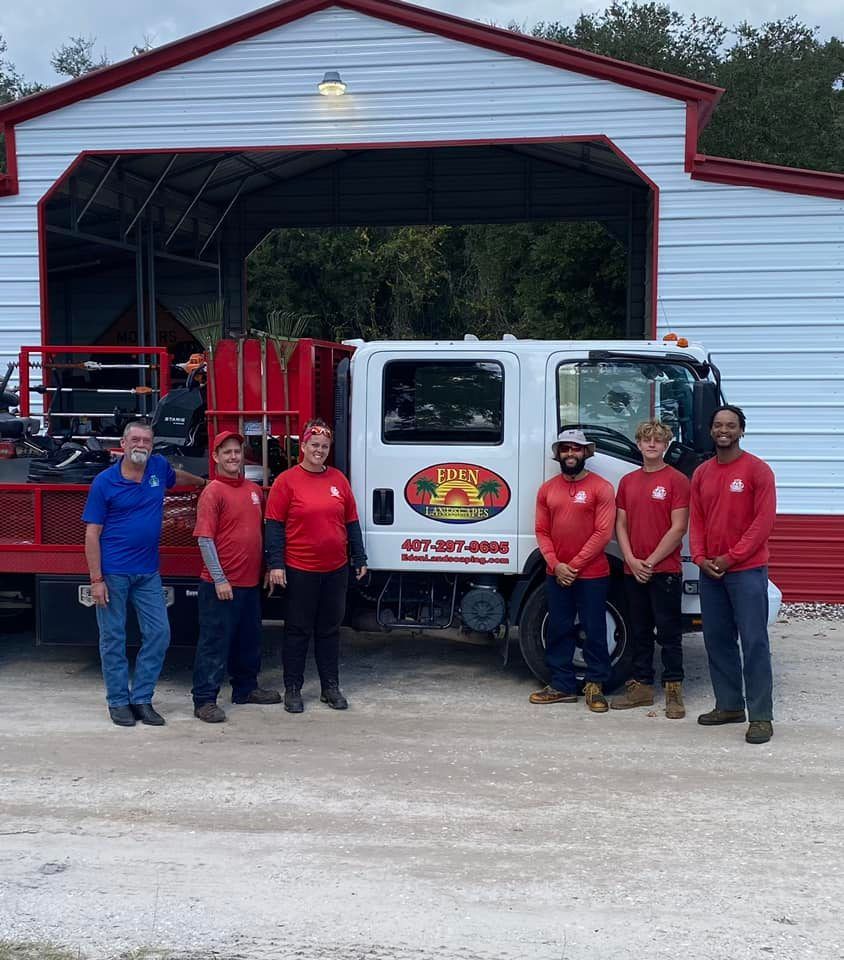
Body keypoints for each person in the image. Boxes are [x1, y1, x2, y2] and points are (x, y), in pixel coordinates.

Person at [83, 421, 205, 727]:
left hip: (148, 573)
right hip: (113, 574)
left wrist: (203, 483)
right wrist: (96, 580)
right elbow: (91, 534)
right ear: (122, 444)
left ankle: (142, 698)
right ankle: (118, 702)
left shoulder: (158, 468)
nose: (141, 445)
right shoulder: (104, 482)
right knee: (113, 638)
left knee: (160, 634)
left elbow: (176, 478)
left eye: (146, 440)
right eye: (135, 439)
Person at [265, 418, 367, 714]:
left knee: (330, 630)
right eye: (314, 445)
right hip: (300, 569)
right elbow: (274, 525)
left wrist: (359, 557)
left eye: (324, 446)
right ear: (304, 446)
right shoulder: (287, 481)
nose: (319, 450)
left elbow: (351, 521)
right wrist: (276, 564)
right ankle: (293, 689)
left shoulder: (338, 480)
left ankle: (330, 687)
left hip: (335, 569)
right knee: (297, 630)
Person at [690, 404, 777, 745]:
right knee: (717, 640)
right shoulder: (702, 473)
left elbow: (763, 523)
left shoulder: (757, 471)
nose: (723, 430)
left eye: (730, 425)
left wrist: (731, 557)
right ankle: (728, 705)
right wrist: (699, 557)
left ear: (742, 430)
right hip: (711, 571)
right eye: (717, 424)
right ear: (711, 431)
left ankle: (760, 716)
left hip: (746, 572)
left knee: (754, 642)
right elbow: (696, 520)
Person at [191, 431, 281, 723]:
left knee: (249, 641)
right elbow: (205, 540)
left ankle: (245, 689)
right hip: (221, 587)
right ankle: (204, 700)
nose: (233, 457)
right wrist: (219, 579)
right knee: (214, 644)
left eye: (237, 451)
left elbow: (260, 534)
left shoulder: (253, 490)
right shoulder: (213, 492)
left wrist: (267, 568)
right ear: (215, 457)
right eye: (226, 452)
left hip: (249, 583)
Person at [531, 428, 616, 713]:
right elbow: (541, 531)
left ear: (585, 453)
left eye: (576, 448)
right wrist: (557, 565)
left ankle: (595, 685)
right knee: (558, 628)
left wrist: (574, 566)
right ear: (558, 454)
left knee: (594, 629)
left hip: (592, 574)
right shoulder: (547, 489)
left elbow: (603, 533)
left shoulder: (601, 487)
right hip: (556, 573)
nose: (570, 453)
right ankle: (562, 685)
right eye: (565, 449)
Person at [611, 420, 690, 718]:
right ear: (639, 444)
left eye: (658, 440)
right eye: (647, 440)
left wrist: (651, 561)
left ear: (666, 444)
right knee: (639, 631)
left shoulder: (677, 480)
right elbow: (621, 524)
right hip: (634, 570)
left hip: (665, 570)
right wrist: (630, 559)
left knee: (669, 633)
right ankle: (642, 686)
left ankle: (673, 689)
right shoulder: (628, 482)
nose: (652, 445)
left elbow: (678, 527)